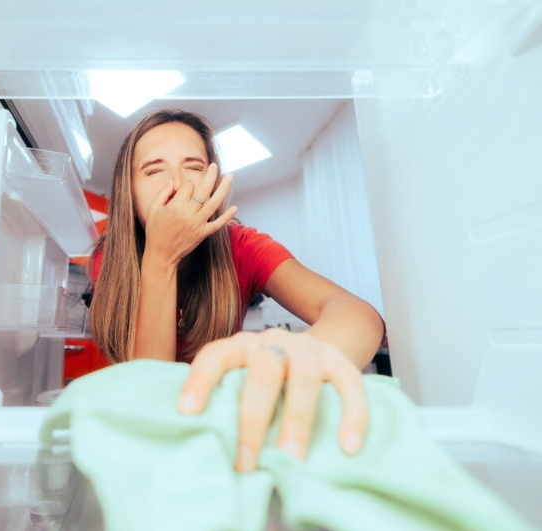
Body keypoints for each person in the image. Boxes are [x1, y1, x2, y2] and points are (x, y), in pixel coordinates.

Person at [88, 109, 385, 473]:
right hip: (148, 443)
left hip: (229, 433)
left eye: (194, 167)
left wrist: (293, 353)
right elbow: (152, 393)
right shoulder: (109, 258)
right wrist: (160, 258)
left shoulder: (241, 246)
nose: (176, 184)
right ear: (128, 192)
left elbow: (358, 315)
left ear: (213, 184)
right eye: (153, 170)